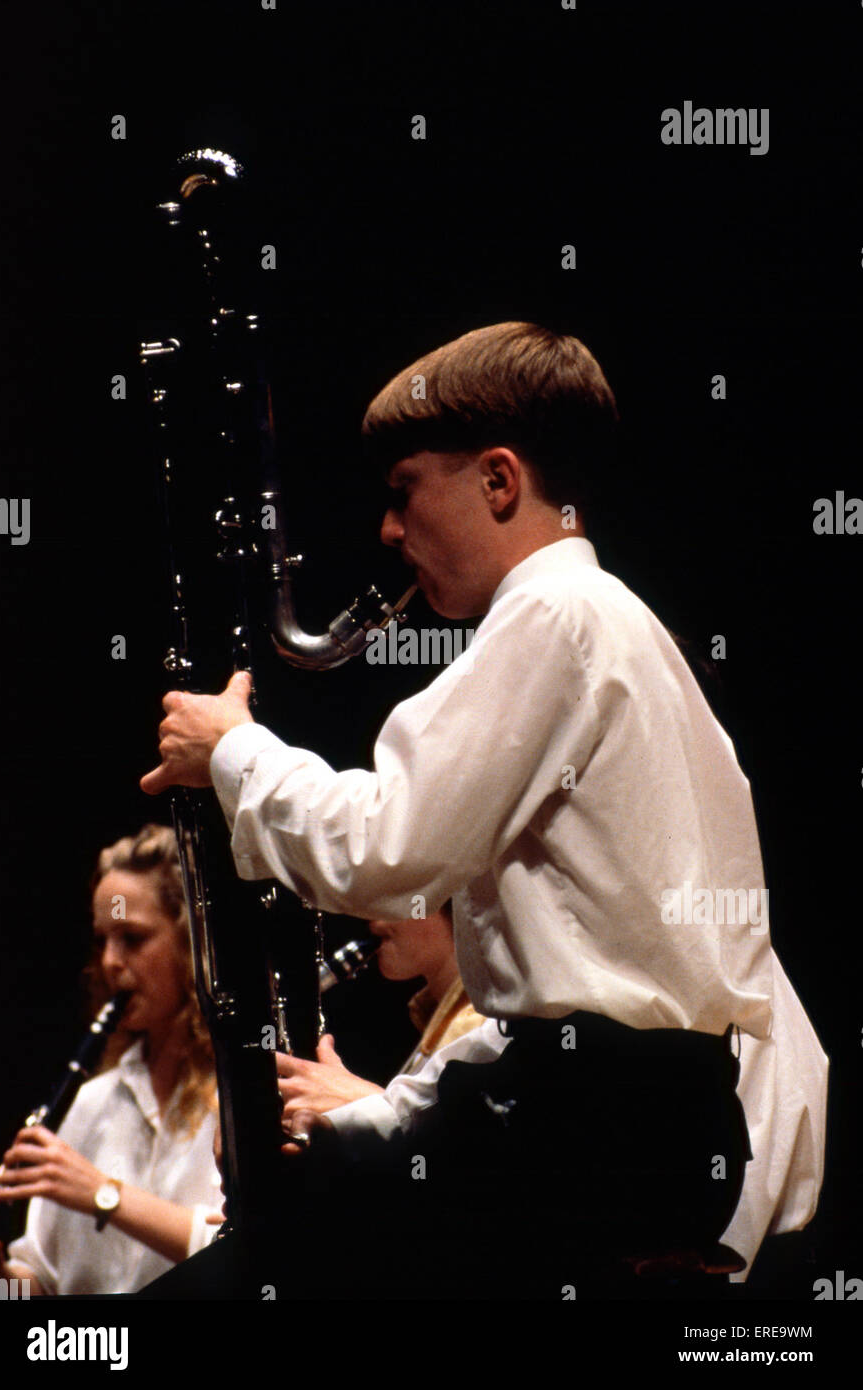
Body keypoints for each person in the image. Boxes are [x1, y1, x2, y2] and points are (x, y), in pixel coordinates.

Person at [141, 322, 826, 1296]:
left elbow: (391, 848)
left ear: (498, 480)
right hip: (650, 1120)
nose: (387, 530)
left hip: (585, 1127)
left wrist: (231, 752)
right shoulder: (620, 624)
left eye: (403, 489)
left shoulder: (553, 614)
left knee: (252, 1270)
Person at [0, 824, 223, 1295]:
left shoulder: (245, 1098)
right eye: (102, 941)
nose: (111, 962)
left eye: (132, 938)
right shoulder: (92, 1100)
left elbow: (254, 1252)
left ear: (191, 943)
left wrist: (101, 1193)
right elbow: (39, 1283)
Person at [277, 902, 491, 1120]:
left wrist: (361, 1105)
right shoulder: (432, 1011)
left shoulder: (479, 1023)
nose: (371, 913)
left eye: (401, 887)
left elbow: (459, 1143)